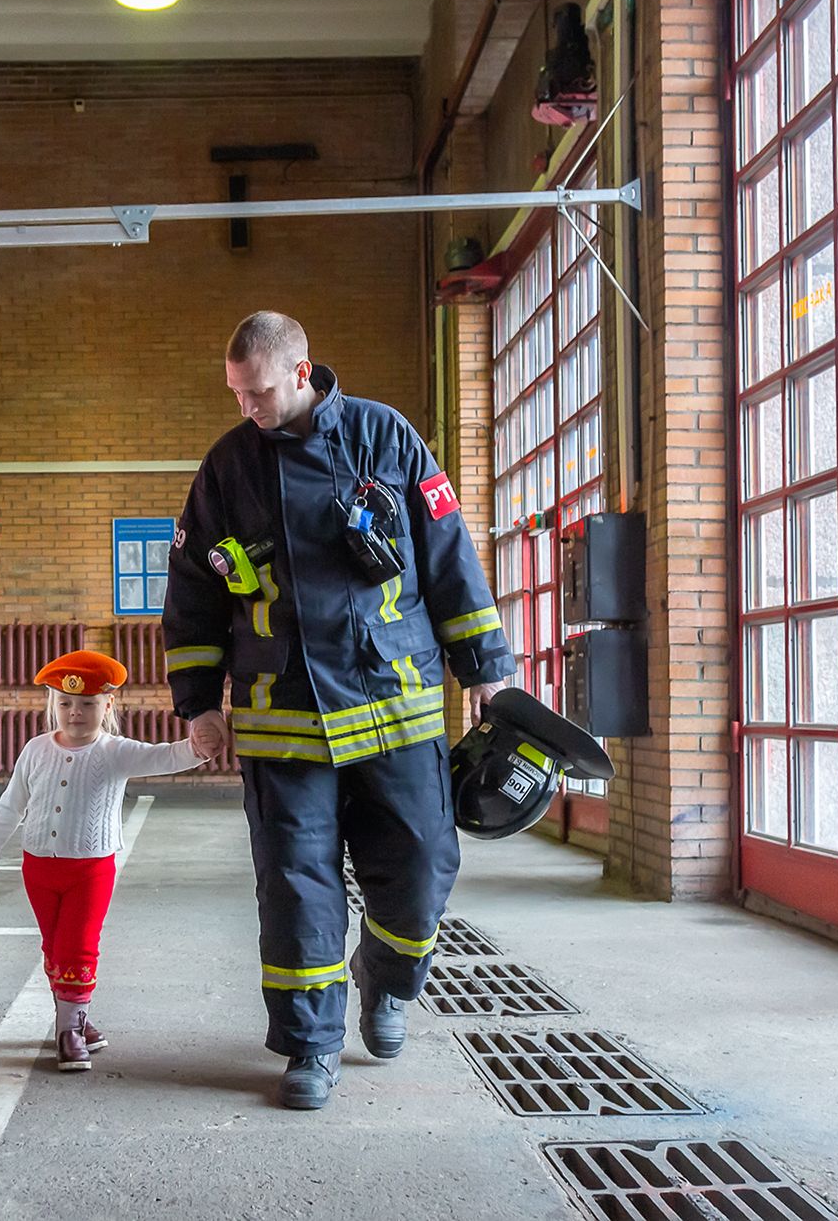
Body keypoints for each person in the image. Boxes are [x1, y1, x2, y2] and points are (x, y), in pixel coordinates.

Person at [162, 311, 514, 1110]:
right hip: (281, 714)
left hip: (396, 702)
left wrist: (485, 668)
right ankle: (311, 1047)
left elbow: (449, 554)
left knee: (423, 865)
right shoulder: (227, 469)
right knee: (296, 888)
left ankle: (387, 980)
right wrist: (197, 704)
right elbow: (191, 594)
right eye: (237, 395)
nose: (247, 407)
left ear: (301, 370)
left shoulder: (387, 440)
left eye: (257, 393)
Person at [0, 649, 207, 1072]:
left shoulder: (115, 751)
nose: (75, 713)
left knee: (77, 945)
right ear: (52, 704)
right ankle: (78, 1018)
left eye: (87, 704)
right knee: (53, 946)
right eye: (65, 703)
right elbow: (14, 801)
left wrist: (199, 745)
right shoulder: (35, 749)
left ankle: (67, 1032)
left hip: (91, 869)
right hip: (39, 867)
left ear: (108, 705)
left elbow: (166, 756)